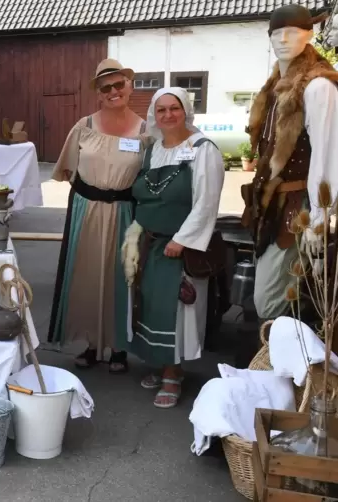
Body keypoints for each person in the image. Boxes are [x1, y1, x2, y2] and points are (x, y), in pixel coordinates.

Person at [119, 88, 225, 408]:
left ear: (186, 111)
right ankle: (159, 361)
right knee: (149, 305)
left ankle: (173, 374)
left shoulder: (203, 149)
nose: (167, 115)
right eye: (161, 109)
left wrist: (182, 240)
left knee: (175, 310)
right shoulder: (152, 151)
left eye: (174, 108)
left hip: (178, 246)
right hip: (148, 242)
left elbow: (207, 201)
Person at [49, 59, 149, 373]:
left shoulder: (145, 131)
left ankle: (118, 346)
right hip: (87, 210)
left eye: (119, 84)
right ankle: (92, 343)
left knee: (121, 277)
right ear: (99, 94)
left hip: (124, 211)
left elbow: (149, 176)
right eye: (106, 88)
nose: (113, 91)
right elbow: (66, 169)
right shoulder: (84, 126)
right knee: (88, 277)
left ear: (129, 86)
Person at [242, 4, 338, 324]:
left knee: (268, 303)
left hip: (299, 209)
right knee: (281, 297)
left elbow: (328, 155)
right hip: (269, 204)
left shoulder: (318, 86)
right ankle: (282, 367)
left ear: (309, 35)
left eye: (293, 32)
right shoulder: (273, 87)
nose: (284, 39)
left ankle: (293, 362)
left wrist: (319, 221)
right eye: (277, 33)